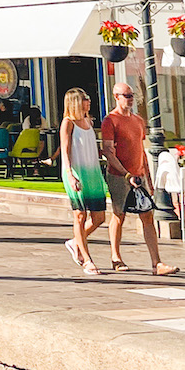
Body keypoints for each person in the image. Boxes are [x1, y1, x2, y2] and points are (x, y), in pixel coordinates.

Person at [101, 82, 179, 276]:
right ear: (116, 96)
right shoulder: (110, 120)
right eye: (126, 96)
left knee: (148, 216)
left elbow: (141, 150)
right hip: (119, 175)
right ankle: (116, 257)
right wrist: (126, 174)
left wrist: (148, 178)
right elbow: (109, 152)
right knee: (119, 215)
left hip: (139, 174)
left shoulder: (137, 120)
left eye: (132, 95)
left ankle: (157, 263)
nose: (130, 99)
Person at [61, 87, 107, 276]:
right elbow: (65, 150)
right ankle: (87, 259)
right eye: (84, 99)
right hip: (77, 172)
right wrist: (70, 174)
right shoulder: (68, 123)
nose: (88, 101)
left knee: (99, 217)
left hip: (93, 172)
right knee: (80, 215)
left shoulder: (88, 121)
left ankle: (75, 242)